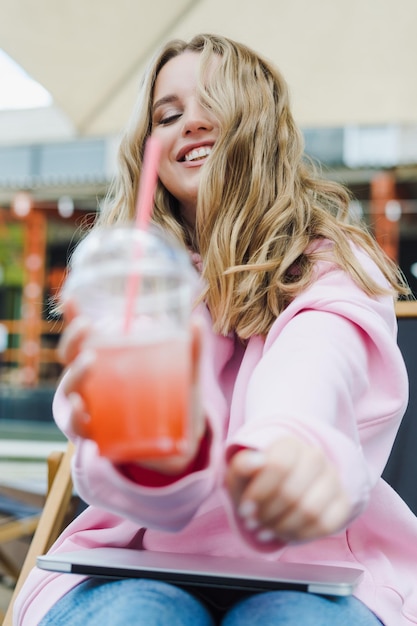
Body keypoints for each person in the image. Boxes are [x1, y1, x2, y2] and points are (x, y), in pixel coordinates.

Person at [14, 33, 417, 626]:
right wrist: (150, 449)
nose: (192, 123)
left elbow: (315, 367)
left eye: (215, 101)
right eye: (168, 114)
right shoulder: (132, 281)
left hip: (318, 568)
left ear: (261, 122)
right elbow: (131, 473)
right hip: (128, 562)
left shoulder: (334, 266)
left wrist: (287, 450)